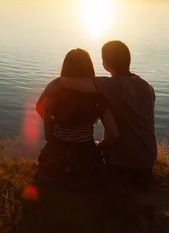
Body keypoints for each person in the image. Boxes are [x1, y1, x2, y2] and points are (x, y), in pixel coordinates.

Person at [39, 40, 156, 188]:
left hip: (121, 162)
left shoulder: (107, 86)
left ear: (105, 65)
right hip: (148, 159)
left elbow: (60, 83)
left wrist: (43, 101)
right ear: (128, 60)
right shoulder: (147, 87)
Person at [35, 48, 119, 185]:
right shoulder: (98, 97)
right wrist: (98, 148)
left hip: (54, 163)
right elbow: (114, 133)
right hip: (87, 163)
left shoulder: (55, 93)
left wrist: (52, 122)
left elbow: (40, 110)